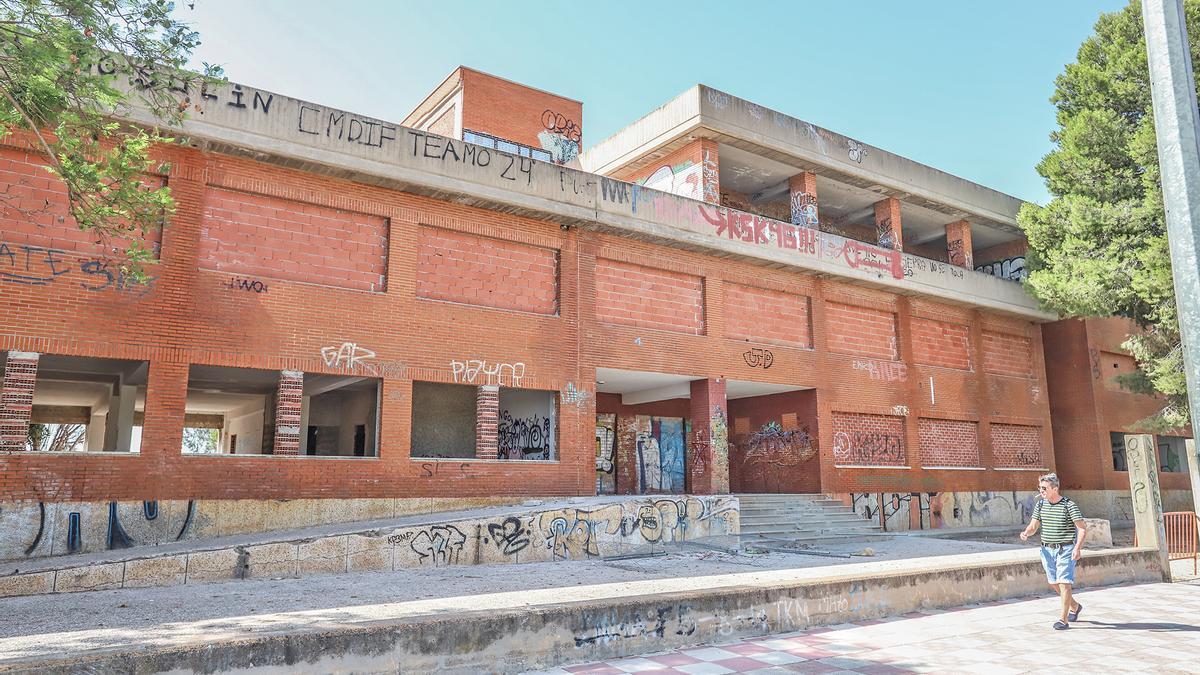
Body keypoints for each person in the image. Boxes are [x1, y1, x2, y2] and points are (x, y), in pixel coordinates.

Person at [1020, 472, 1087, 630]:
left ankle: (1063, 620)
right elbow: (1034, 526)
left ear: (1055, 489)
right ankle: (1075, 606)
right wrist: (1026, 533)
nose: (1041, 491)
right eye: (1040, 487)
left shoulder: (1068, 505)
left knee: (1065, 584)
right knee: (1054, 582)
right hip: (1047, 550)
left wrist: (1077, 548)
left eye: (1044, 488)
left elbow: (1082, 528)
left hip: (1066, 549)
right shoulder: (1041, 505)